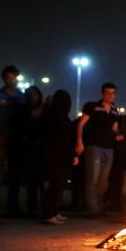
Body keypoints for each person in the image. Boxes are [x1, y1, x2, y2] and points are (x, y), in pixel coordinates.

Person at [75, 82, 123, 216]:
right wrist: (79, 141)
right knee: (93, 177)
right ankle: (92, 208)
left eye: (113, 93)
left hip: (109, 148)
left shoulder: (114, 110)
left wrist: (118, 134)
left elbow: (114, 128)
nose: (110, 95)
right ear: (102, 94)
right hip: (94, 146)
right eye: (107, 93)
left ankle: (99, 206)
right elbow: (81, 124)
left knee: (104, 179)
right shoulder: (92, 106)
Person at [0, 65, 25, 218]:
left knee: (15, 175)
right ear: (4, 79)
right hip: (1, 140)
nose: (11, 81)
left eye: (14, 78)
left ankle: (13, 207)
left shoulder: (22, 96)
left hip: (16, 141)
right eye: (8, 78)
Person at [40, 90, 76, 224]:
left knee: (58, 186)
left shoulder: (54, 114)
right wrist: (73, 153)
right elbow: (63, 139)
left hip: (57, 155)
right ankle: (49, 214)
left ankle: (54, 212)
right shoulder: (58, 116)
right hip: (57, 156)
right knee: (55, 186)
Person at [21, 85, 45, 217]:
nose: (32, 97)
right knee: (30, 181)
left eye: (34, 94)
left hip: (41, 149)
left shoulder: (45, 110)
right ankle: (32, 208)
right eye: (29, 95)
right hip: (29, 148)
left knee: (41, 180)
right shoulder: (24, 109)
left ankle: (43, 207)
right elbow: (28, 119)